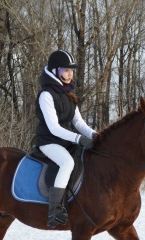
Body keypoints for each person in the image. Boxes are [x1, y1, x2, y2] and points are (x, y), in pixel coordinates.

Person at [35, 50, 96, 228]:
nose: (70, 74)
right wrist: (78, 139)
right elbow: (53, 128)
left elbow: (78, 121)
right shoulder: (46, 95)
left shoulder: (68, 93)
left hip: (66, 140)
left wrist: (94, 135)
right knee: (67, 163)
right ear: (55, 71)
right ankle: (55, 210)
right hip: (48, 142)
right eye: (66, 70)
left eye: (71, 71)